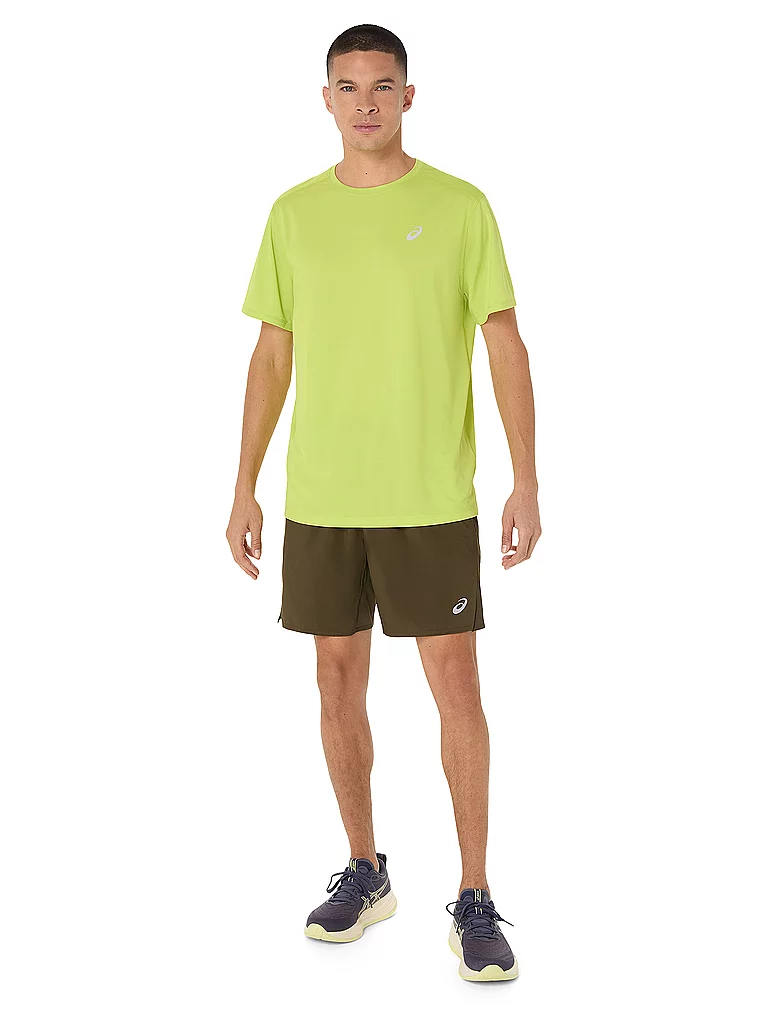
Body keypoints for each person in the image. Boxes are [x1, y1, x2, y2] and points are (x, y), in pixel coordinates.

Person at [226, 24, 541, 982]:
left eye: (382, 85)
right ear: (326, 98)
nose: (365, 102)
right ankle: (366, 871)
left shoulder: (459, 207)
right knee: (335, 684)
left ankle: (475, 893)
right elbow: (272, 354)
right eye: (348, 85)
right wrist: (243, 482)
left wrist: (527, 478)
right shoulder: (292, 214)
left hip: (428, 494)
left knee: (456, 688)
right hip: (323, 495)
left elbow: (504, 343)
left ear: (409, 95)